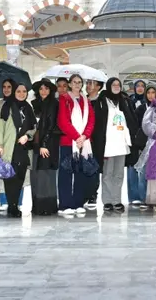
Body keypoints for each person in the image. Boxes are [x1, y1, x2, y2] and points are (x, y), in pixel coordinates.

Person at [95, 77, 137, 213]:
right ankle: (107, 201)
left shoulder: (124, 100)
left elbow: (131, 119)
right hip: (107, 143)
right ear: (108, 86)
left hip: (121, 143)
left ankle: (116, 200)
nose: (116, 86)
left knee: (119, 174)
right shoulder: (101, 101)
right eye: (113, 84)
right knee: (107, 173)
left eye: (118, 84)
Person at [56, 74, 96, 215]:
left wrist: (84, 136)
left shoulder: (86, 100)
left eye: (80, 82)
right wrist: (76, 137)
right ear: (70, 84)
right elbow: (63, 121)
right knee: (66, 173)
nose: (77, 84)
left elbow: (91, 120)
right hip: (69, 142)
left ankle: (78, 203)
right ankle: (65, 205)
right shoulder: (64, 99)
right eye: (75, 82)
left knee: (81, 172)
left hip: (84, 143)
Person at [0, 84, 35, 217]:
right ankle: (12, 206)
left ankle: (15, 204)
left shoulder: (28, 108)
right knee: (9, 178)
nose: (21, 93)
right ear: (14, 92)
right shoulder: (7, 107)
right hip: (9, 147)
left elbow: (34, 127)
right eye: (18, 91)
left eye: (24, 91)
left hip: (23, 148)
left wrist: (27, 135)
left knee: (19, 178)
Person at [31, 79, 60, 216]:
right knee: (36, 175)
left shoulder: (54, 104)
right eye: (41, 89)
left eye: (46, 89)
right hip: (35, 145)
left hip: (47, 145)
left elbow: (51, 125)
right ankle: (37, 206)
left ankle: (48, 207)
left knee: (46, 175)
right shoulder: (34, 104)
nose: (43, 91)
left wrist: (44, 144)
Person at [130, 85, 156, 208]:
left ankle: (154, 197)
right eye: (149, 93)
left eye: (153, 92)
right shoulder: (141, 108)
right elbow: (134, 126)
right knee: (143, 173)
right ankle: (143, 198)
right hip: (143, 145)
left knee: (155, 172)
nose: (151, 95)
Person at [84, 78, 104, 211]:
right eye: (87, 83)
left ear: (98, 87)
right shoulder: (81, 100)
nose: (88, 86)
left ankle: (92, 194)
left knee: (94, 166)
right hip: (81, 137)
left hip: (96, 139)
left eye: (92, 84)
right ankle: (82, 193)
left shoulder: (102, 102)